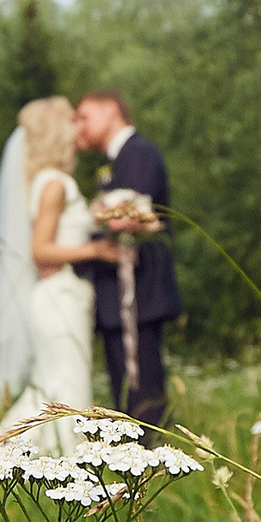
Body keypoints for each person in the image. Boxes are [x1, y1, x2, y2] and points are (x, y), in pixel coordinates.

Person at [0, 96, 117, 451]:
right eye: (72, 120)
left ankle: (8, 451)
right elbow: (41, 251)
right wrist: (97, 250)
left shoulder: (47, 180)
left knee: (52, 383)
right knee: (66, 385)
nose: (79, 126)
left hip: (61, 297)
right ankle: (49, 457)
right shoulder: (55, 184)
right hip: (60, 296)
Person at [72, 90, 180, 427]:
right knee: (125, 397)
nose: (79, 127)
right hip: (118, 298)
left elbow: (135, 217)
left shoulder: (140, 153)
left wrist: (104, 218)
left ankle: (149, 465)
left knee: (142, 399)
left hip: (138, 296)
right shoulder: (115, 162)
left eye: (84, 116)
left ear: (111, 110)